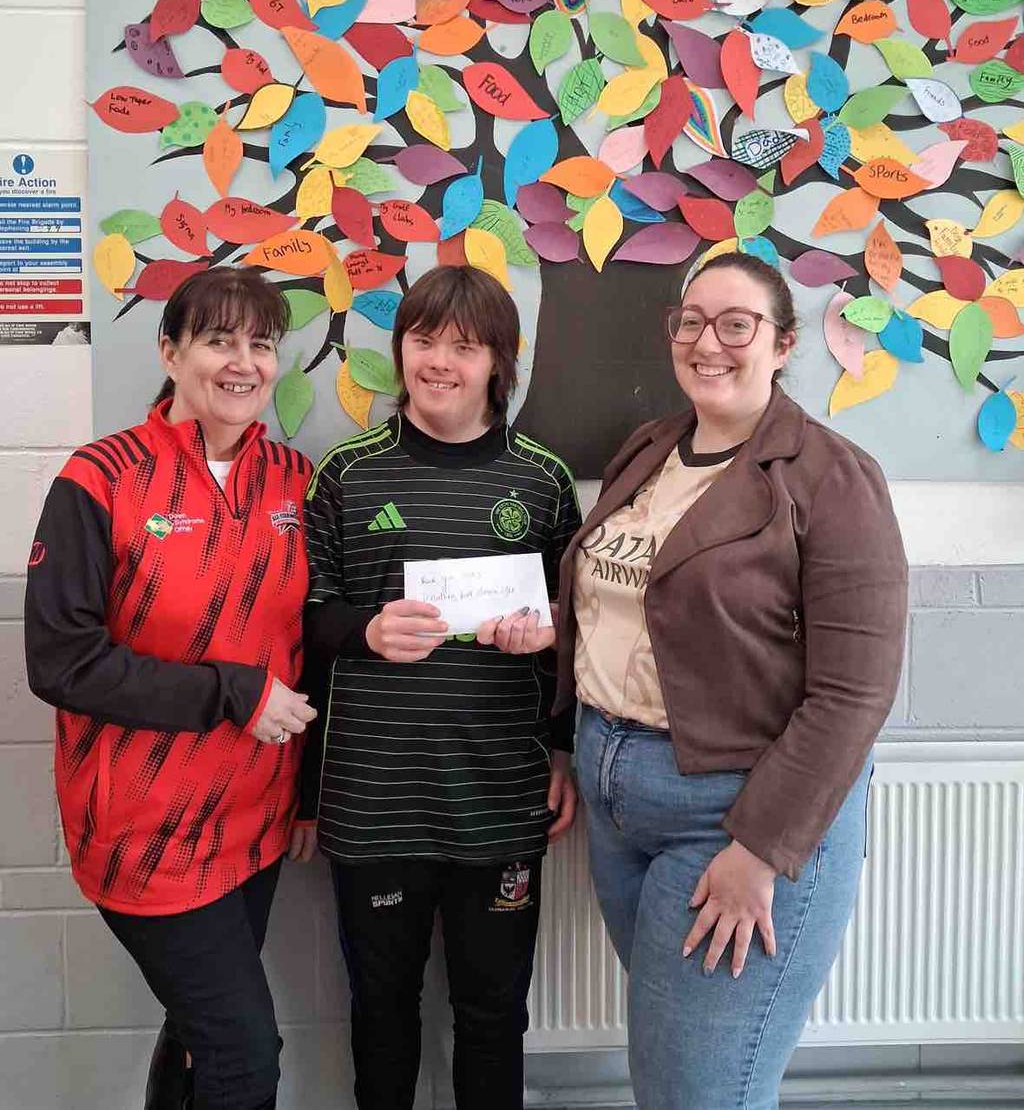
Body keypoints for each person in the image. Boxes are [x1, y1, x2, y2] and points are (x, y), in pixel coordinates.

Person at [555, 252, 908, 1110]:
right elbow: (618, 610)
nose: (707, 342)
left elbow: (854, 692)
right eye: (691, 321)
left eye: (736, 324)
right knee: (675, 1069)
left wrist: (759, 851)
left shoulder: (831, 476)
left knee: (700, 1090)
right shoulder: (650, 450)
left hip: (735, 817)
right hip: (618, 804)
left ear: (782, 345)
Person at [25, 267, 318, 1110]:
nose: (244, 362)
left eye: (261, 343)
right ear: (170, 351)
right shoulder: (100, 477)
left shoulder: (295, 479)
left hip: (256, 821)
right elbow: (62, 662)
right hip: (145, 832)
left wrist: (305, 795)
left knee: (199, 1037)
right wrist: (230, 691)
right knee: (244, 1057)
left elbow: (311, 643)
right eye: (219, 340)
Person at [301, 264, 582, 1110]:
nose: (439, 362)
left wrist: (561, 748)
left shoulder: (542, 480)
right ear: (400, 350)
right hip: (373, 800)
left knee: (493, 1016)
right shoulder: (345, 473)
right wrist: (365, 630)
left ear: (499, 362)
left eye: (464, 346)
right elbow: (306, 620)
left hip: (500, 797)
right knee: (381, 1012)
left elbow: (581, 630)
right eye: (423, 340)